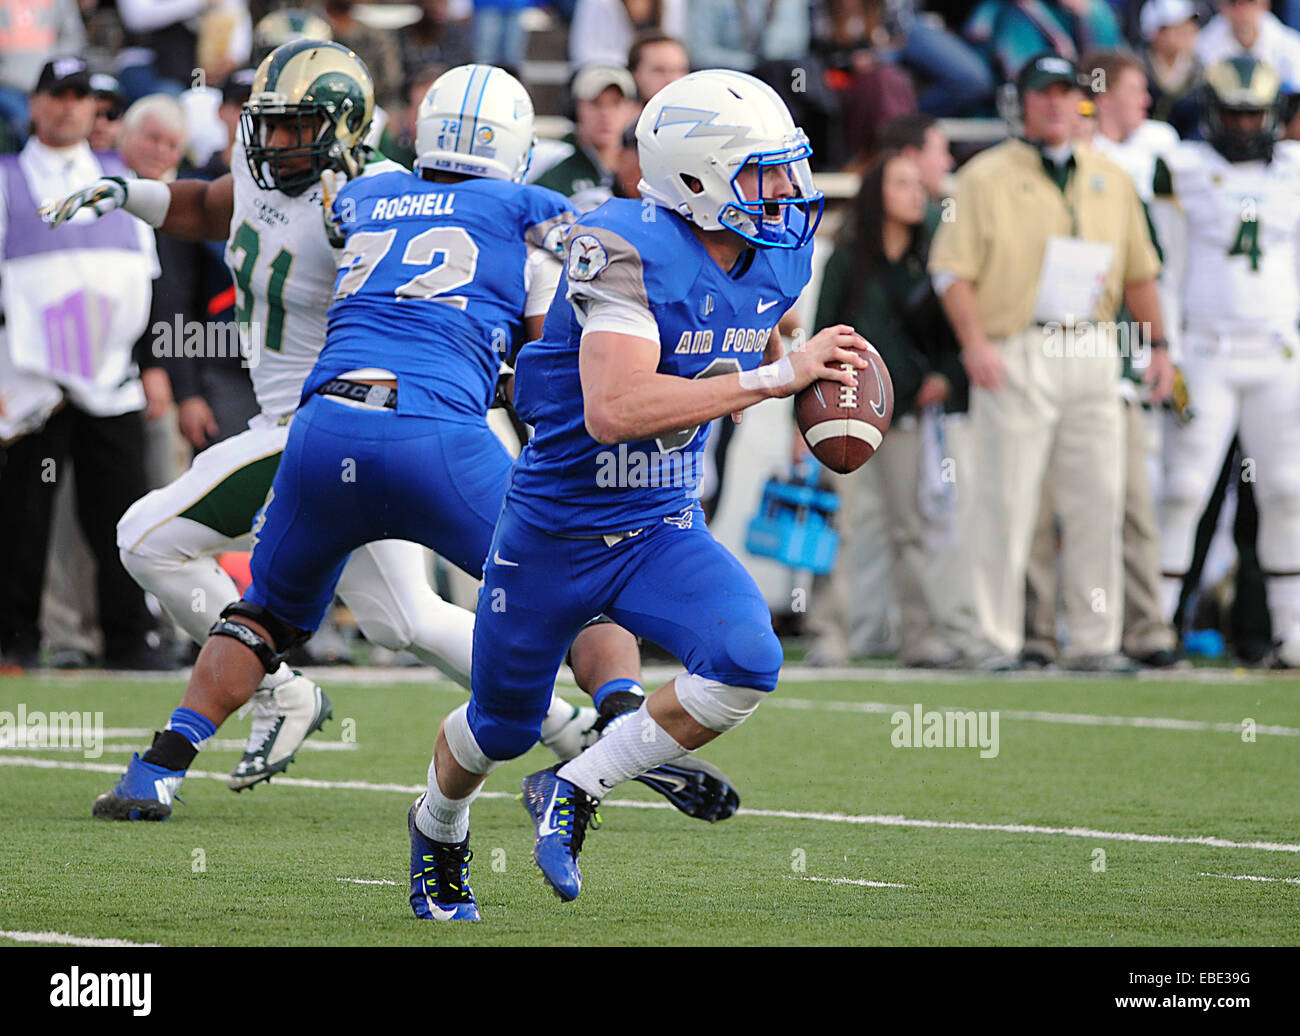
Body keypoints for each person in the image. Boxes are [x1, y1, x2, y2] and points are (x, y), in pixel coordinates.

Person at [45, 52, 736, 821]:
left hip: (320, 428)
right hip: (433, 432)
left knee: (243, 592)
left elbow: (376, 238)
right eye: (270, 125)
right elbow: (554, 356)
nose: (277, 143)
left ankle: (175, 756)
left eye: (297, 126)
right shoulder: (514, 210)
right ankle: (609, 718)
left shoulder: (367, 196)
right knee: (520, 590)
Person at [409, 68, 868, 918]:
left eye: (790, 168)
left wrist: (816, 376)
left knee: (747, 659)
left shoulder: (778, 249)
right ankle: (437, 826)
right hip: (552, 532)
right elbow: (615, 409)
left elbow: (759, 317)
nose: (791, 193)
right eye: (766, 172)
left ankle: (576, 788)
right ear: (697, 178)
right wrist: (774, 378)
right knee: (500, 727)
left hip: (658, 521)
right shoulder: (620, 244)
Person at [929, 53, 1173, 671]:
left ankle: (1096, 639)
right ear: (1024, 102)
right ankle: (995, 639)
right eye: (1045, 95)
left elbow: (1141, 272)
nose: (1057, 105)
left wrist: (1158, 346)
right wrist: (975, 344)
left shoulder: (1111, 177)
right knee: (1004, 502)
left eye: (1067, 93)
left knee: (1098, 498)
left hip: (1093, 344)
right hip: (1018, 344)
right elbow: (951, 271)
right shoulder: (984, 176)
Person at [0, 57, 171, 672]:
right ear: (38, 103)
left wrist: (154, 363)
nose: (71, 106)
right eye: (60, 94)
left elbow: (151, 280)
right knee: (23, 517)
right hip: (29, 379)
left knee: (123, 517)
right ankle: (14, 641)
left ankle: (132, 640)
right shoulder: (8, 179)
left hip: (110, 377)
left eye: (83, 96)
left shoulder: (118, 179)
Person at [1155, 57, 1300, 668]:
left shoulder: (1294, 171)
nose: (1244, 125)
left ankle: (1290, 634)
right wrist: (1170, 349)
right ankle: (1154, 623)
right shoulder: (1182, 169)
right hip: (1207, 349)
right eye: (1234, 112)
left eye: (1253, 113)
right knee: (1184, 488)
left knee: (1288, 490)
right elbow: (1164, 268)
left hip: (1276, 349)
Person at [808, 150, 975, 668]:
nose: (914, 194)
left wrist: (944, 378)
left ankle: (920, 637)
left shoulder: (932, 259)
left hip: (903, 413)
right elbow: (821, 333)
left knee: (912, 526)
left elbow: (951, 340)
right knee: (838, 524)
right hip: (844, 410)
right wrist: (805, 416)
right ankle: (826, 636)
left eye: (916, 185)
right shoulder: (848, 254)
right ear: (878, 192)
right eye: (901, 184)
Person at [533, 64, 639, 211]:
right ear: (575, 108)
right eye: (595, 103)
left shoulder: (643, 170)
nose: (605, 114)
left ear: (634, 109)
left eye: (616, 103)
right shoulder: (554, 166)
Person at [1139, 0, 1203, 139]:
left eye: (1188, 24)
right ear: (1155, 33)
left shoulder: (1199, 69)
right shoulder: (1137, 68)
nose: (1187, 31)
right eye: (1177, 27)